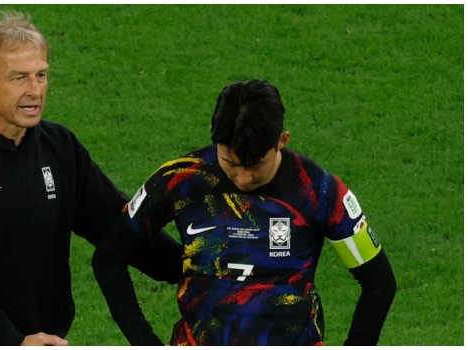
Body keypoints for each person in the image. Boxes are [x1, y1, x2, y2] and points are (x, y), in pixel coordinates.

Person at [0, 11, 182, 346]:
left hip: (43, 337)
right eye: (19, 78)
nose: (35, 90)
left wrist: (192, 267)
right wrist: (11, 340)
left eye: (41, 75)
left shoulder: (59, 148)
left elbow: (114, 223)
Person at [92, 79, 397, 346]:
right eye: (230, 163)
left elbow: (378, 281)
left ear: (282, 141)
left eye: (254, 166)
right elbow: (110, 257)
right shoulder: (181, 179)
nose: (243, 179)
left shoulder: (318, 190)